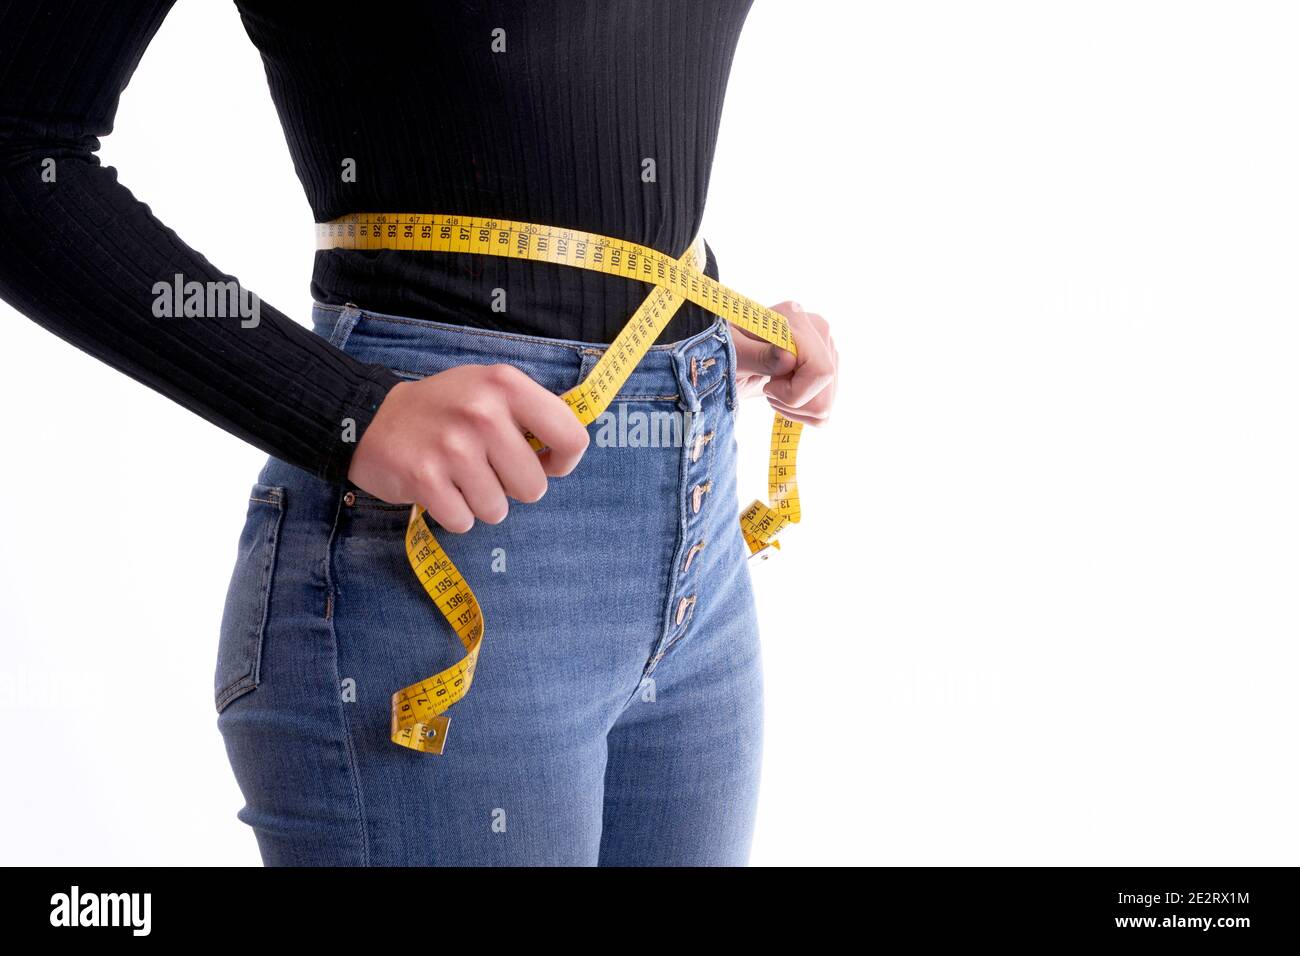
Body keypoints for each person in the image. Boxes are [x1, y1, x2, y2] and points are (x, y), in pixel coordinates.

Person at [0, 0, 837, 865]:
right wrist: (345, 406)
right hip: (430, 551)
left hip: (699, 527)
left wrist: (677, 324)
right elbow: (20, 150)